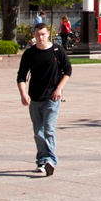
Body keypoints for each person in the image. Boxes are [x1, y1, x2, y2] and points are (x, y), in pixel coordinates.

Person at [16, 22, 72, 177]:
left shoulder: (56, 51)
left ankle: (50, 160)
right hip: (35, 98)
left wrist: (59, 88)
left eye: (43, 34)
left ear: (48, 34)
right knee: (38, 132)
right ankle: (42, 161)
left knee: (49, 129)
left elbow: (67, 70)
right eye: (37, 35)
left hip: (52, 98)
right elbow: (21, 76)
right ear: (34, 36)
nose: (40, 37)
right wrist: (23, 94)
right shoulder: (30, 54)